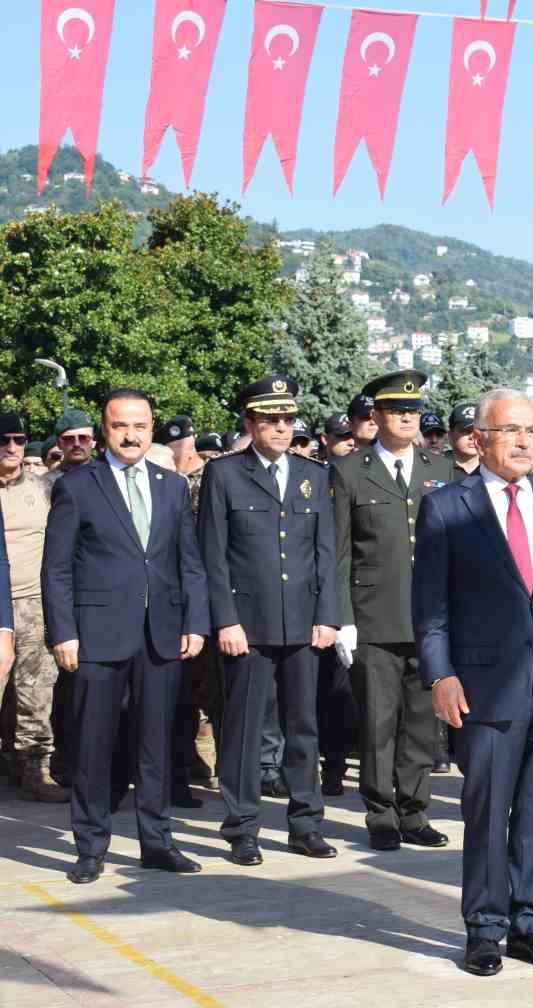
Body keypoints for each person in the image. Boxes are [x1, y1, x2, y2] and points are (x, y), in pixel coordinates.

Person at [414, 389, 533, 977]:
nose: (525, 442)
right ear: (483, 437)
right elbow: (430, 606)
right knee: (489, 812)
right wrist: (440, 674)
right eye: (511, 431)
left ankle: (532, 924)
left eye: (532, 432)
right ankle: (486, 929)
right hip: (484, 685)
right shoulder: (448, 505)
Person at [44, 390, 206, 884]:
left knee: (156, 743)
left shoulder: (172, 486)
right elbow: (57, 568)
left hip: (162, 634)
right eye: (120, 426)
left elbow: (189, 563)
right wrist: (64, 632)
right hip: (96, 634)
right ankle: (90, 845)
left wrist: (195, 622)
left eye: (139, 426)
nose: (131, 435)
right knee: (94, 743)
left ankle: (156, 841)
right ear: (104, 430)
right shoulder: (79, 485)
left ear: (152, 428)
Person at [198, 376, 340, 866]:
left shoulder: (313, 474)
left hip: (303, 622)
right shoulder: (225, 475)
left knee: (304, 727)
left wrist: (328, 615)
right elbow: (212, 555)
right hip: (247, 624)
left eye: (287, 420)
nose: (281, 428)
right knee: (242, 728)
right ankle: (242, 827)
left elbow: (325, 553)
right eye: (270, 420)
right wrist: (225, 621)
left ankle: (305, 823)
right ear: (250, 423)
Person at [331, 370, 452, 851]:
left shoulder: (439, 470)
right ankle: (380, 813)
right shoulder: (349, 470)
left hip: (431, 618)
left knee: (422, 722)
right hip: (374, 616)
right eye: (397, 410)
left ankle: (415, 810)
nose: (407, 417)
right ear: (376, 416)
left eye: (414, 410)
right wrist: (342, 618)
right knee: (379, 722)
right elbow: (339, 551)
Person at [0, 412, 63, 801]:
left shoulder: (42, 488)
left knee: (36, 689)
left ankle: (35, 770)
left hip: (32, 602)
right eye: (3, 440)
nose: (12, 448)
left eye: (19, 441)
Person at [447, 404, 480, 478]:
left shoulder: (492, 470)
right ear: (450, 435)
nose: (472, 436)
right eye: (466, 431)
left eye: (477, 431)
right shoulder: (437, 467)